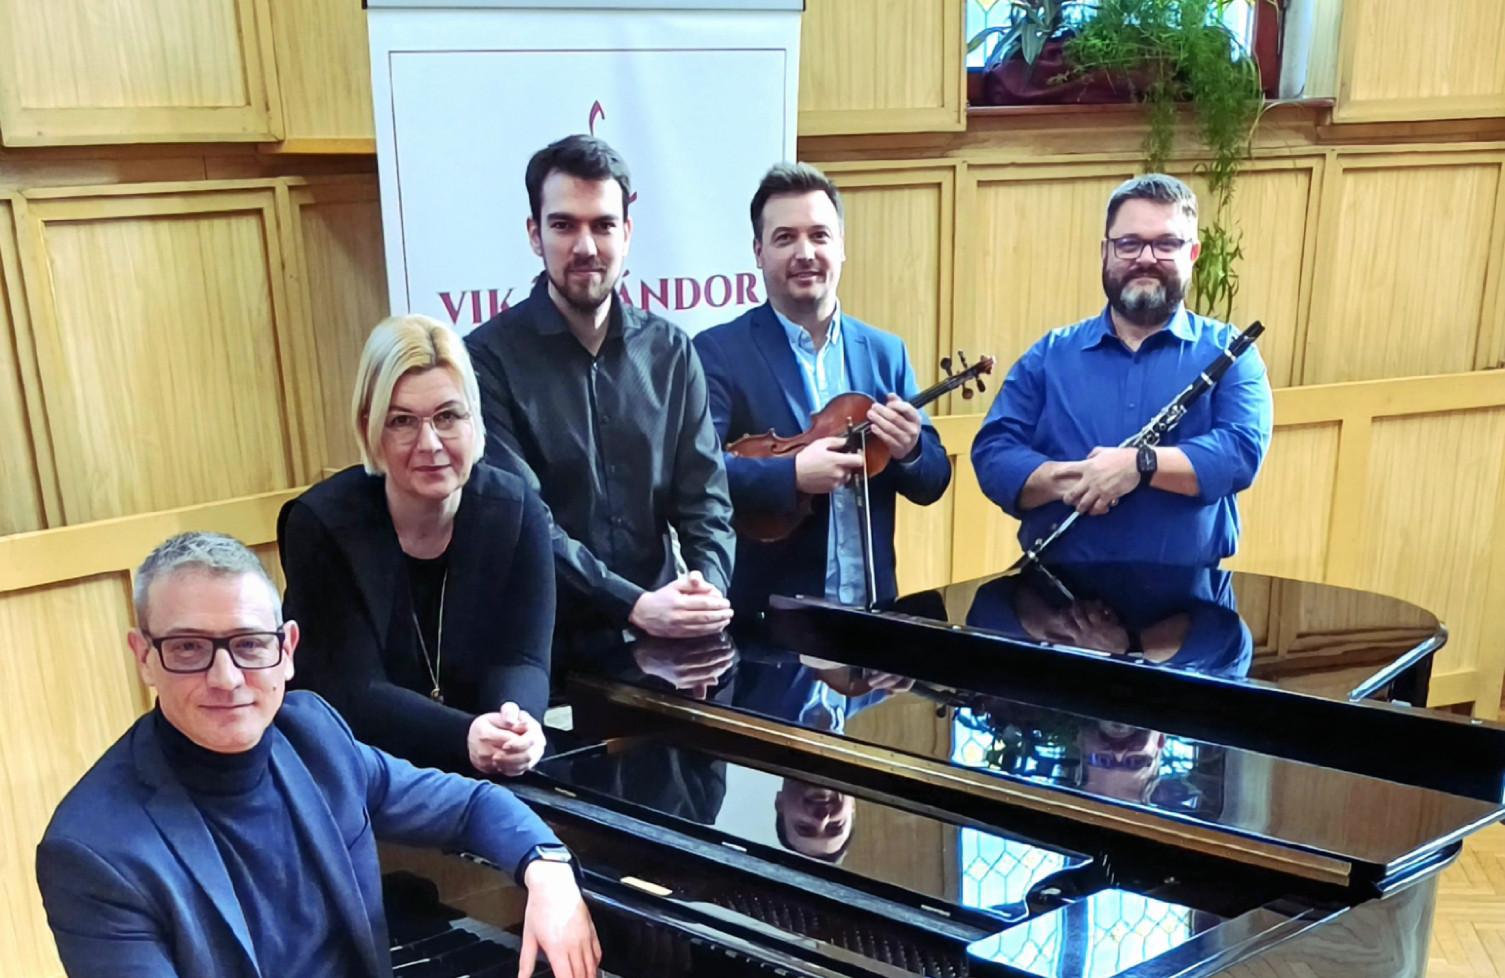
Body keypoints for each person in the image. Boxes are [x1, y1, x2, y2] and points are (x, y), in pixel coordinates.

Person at [36, 532, 598, 978]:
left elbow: (470, 805)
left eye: (249, 644)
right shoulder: (94, 851)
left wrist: (548, 870)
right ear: (144, 657)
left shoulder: (313, 737)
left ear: (287, 650)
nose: (226, 678)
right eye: (188, 648)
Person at [465, 135, 736, 658]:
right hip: (545, 648)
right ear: (535, 235)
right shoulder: (486, 360)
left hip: (667, 638)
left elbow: (706, 497)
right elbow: (526, 520)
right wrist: (633, 604)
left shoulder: (671, 351)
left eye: (603, 225)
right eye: (564, 225)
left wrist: (707, 592)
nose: (586, 247)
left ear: (626, 234)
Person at [279, 315, 551, 776]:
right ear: (370, 427)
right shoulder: (321, 523)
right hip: (359, 770)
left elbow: (522, 656)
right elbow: (350, 691)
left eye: (447, 416)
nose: (430, 444)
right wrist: (464, 736)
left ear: (474, 419)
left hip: (484, 765)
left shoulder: (517, 510)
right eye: (402, 421)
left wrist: (516, 724)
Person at [971, 173, 1273, 566]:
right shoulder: (1049, 355)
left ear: (1192, 254)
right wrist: (1078, 478)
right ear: (1105, 251)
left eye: (1166, 243)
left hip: (1189, 597)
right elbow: (994, 454)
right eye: (1129, 243)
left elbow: (1240, 453)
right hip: (1053, 594)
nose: (1146, 258)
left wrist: (1140, 465)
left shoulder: (1232, 353)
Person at [694, 162, 951, 616]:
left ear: (841, 246)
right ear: (758, 252)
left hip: (874, 615)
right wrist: (791, 475)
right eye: (785, 238)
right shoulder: (717, 352)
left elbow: (932, 481)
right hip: (770, 624)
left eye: (819, 235)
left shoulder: (884, 351)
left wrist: (911, 448)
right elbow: (697, 473)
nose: (805, 252)